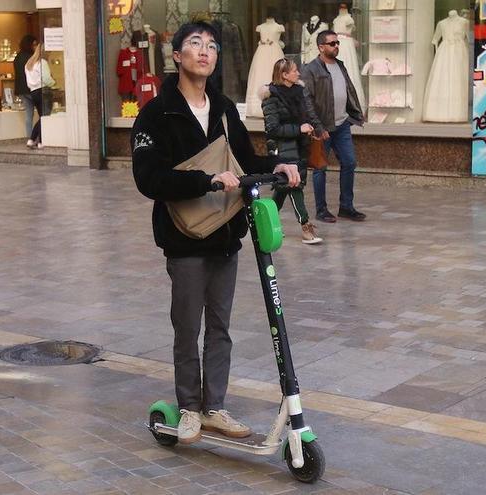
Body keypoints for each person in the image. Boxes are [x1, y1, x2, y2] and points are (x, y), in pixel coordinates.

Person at [131, 21, 300, 444]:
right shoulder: (157, 113)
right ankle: (188, 407)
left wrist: (276, 166)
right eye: (194, 44)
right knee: (188, 326)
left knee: (220, 326)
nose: (204, 52)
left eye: (211, 46)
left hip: (225, 235)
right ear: (177, 56)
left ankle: (214, 406)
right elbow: (148, 178)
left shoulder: (223, 108)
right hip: (184, 236)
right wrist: (206, 181)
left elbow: (243, 159)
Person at [300, 30, 366, 223]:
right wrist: (318, 127)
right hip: (323, 127)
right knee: (320, 167)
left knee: (350, 162)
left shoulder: (341, 65)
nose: (336, 46)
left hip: (342, 124)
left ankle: (346, 207)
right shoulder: (311, 69)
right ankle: (321, 210)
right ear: (321, 47)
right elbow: (307, 101)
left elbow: (348, 91)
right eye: (332, 43)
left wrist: (356, 112)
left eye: (337, 43)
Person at [261, 58, 324, 244]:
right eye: (294, 70)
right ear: (284, 75)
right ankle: (305, 227)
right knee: (294, 185)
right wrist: (299, 129)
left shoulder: (299, 91)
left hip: (300, 146)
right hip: (282, 149)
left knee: (282, 189)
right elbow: (272, 128)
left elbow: (309, 114)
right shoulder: (270, 96)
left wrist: (315, 128)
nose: (298, 73)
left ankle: (266, 224)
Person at [24, 43, 55, 149]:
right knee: (44, 117)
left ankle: (32, 139)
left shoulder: (29, 64)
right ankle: (40, 141)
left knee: (42, 117)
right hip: (43, 91)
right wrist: (54, 83)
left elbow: (28, 82)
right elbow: (46, 79)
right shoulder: (43, 63)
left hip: (33, 92)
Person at [13, 35, 37, 145]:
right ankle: (38, 138)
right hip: (32, 88)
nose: (35, 46)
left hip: (21, 90)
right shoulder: (32, 57)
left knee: (28, 115)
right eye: (34, 44)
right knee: (43, 113)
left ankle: (29, 137)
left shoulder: (17, 57)